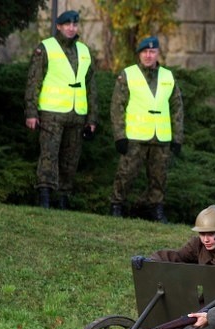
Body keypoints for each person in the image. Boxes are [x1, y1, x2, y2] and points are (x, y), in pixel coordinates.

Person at [25, 10, 97, 210]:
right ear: (58, 26)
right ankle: (45, 195)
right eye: (67, 24)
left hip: (77, 115)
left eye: (74, 25)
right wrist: (31, 112)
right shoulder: (46, 48)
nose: (71, 28)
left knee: (70, 158)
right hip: (51, 113)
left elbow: (91, 87)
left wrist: (92, 118)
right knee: (49, 155)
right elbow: (33, 81)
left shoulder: (84, 51)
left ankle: (63, 197)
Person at [110, 36, 184, 222]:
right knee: (125, 174)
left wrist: (177, 137)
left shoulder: (168, 76)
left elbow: (177, 108)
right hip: (135, 136)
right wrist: (119, 135)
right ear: (139, 54)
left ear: (158, 53)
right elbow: (117, 106)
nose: (148, 55)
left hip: (161, 137)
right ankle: (116, 206)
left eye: (152, 52)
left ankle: (156, 209)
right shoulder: (128, 74)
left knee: (159, 178)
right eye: (144, 52)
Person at [145, 205, 215, 266]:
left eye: (211, 234)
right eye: (202, 234)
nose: (206, 239)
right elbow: (178, 257)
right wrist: (150, 261)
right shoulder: (197, 244)